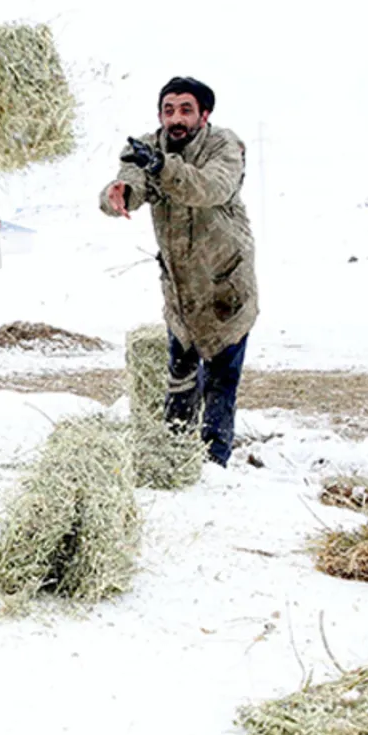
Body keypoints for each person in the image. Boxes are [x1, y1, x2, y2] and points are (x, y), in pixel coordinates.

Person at [98, 76, 259, 468]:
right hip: (181, 289)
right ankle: (174, 459)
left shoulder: (224, 146)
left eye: (186, 110)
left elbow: (210, 188)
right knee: (180, 378)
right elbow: (133, 181)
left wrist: (162, 167)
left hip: (225, 285)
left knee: (220, 380)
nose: (176, 119)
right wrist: (119, 194)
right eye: (168, 110)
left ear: (204, 115)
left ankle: (214, 462)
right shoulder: (147, 148)